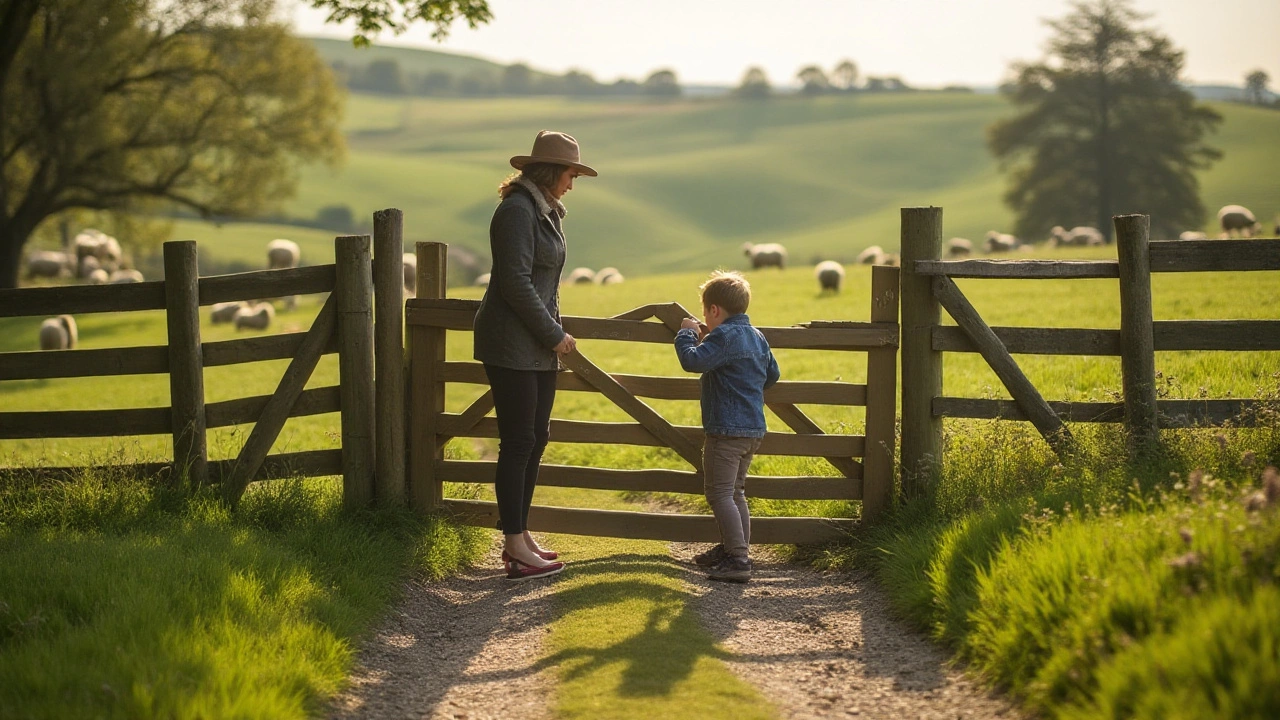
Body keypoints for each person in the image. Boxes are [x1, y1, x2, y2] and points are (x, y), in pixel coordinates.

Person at [473, 130, 596, 581]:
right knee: (519, 441)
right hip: (510, 342)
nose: (572, 183)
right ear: (549, 171)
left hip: (537, 341)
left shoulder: (545, 212)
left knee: (536, 438)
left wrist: (553, 330)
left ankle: (520, 537)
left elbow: (547, 284)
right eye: (570, 174)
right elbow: (515, 283)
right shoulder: (516, 212)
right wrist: (552, 334)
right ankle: (513, 545)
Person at [674, 271, 780, 583]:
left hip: (726, 430)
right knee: (735, 492)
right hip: (753, 429)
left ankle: (739, 560)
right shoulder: (757, 336)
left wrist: (686, 333)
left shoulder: (723, 336)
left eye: (706, 312)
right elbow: (772, 375)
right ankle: (736, 549)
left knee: (719, 493)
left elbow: (692, 362)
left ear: (714, 310)